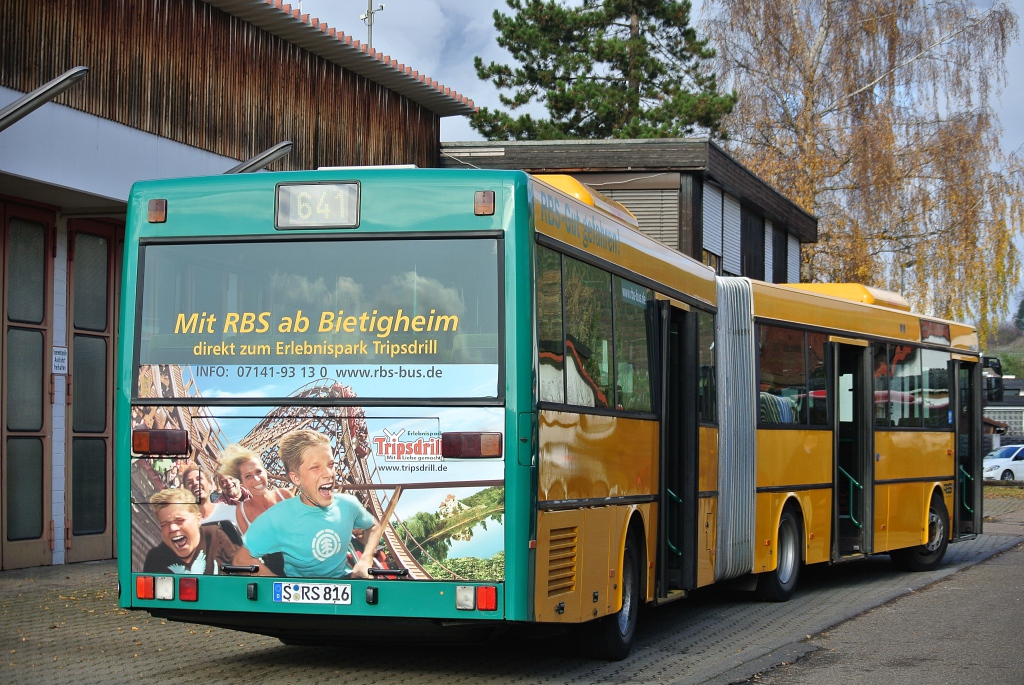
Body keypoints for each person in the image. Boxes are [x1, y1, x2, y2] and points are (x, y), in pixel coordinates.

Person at [244, 429, 384, 579]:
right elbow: (242, 558)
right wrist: (279, 586)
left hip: (343, 586)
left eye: (330, 465)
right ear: (296, 478)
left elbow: (374, 526)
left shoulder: (348, 505)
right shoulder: (277, 516)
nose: (328, 474)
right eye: (315, 468)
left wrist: (366, 559)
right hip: (298, 593)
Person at [142, 488, 266, 575]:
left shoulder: (214, 536)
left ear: (198, 519)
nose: (172, 528)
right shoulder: (155, 558)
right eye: (165, 524)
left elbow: (245, 569)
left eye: (179, 520)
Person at [219, 444, 292, 533]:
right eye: (248, 476)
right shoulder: (242, 512)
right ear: (242, 482)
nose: (256, 479)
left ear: (265, 471)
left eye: (258, 471)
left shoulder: (284, 495)